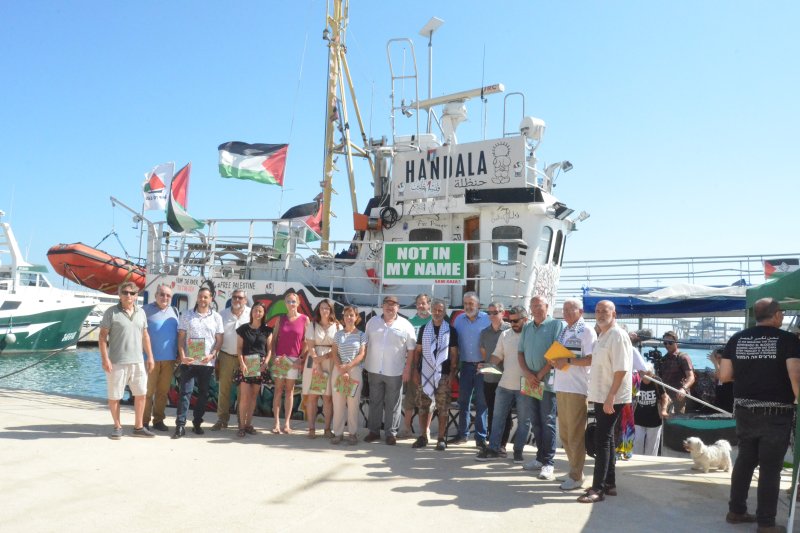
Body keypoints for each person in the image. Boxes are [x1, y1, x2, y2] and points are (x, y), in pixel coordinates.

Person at [719, 298, 800, 532]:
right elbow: (795, 374)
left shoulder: (737, 338)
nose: (783, 316)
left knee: (745, 461)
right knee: (770, 468)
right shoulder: (787, 340)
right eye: (782, 313)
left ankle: (736, 511)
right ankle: (766, 523)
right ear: (775, 315)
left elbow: (724, 375)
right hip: (776, 412)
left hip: (744, 410)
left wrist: (750, 376)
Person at [577, 300, 632, 504]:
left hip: (611, 396)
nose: (600, 314)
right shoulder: (603, 335)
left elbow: (621, 369)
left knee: (602, 440)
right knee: (606, 440)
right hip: (602, 395)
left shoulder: (617, 335)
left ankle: (597, 489)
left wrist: (611, 397)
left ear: (614, 313)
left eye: (605, 311)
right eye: (598, 311)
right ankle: (609, 484)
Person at [550, 298, 596, 491]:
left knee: (576, 434)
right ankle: (574, 470)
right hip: (561, 385)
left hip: (577, 389)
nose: (567, 312)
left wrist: (567, 359)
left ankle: (576, 476)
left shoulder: (586, 331)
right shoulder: (565, 330)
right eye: (565, 309)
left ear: (581, 311)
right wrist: (555, 360)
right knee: (566, 434)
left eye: (571, 309)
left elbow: (591, 359)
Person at [99, 281, 155, 439]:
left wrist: (150, 356)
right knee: (115, 395)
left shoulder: (141, 313)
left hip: (137, 361)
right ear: (119, 294)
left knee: (141, 394)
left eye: (132, 293)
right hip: (117, 361)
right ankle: (117, 426)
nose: (128, 295)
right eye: (125, 292)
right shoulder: (111, 312)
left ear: (137, 295)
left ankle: (138, 427)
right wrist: (105, 359)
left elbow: (145, 336)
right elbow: (102, 337)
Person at [475, 306, 529, 463]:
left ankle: (518, 451)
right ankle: (494, 449)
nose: (513, 324)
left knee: (525, 420)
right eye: (510, 320)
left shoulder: (531, 334)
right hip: (505, 383)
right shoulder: (505, 335)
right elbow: (497, 356)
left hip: (527, 383)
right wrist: (486, 367)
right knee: (497, 417)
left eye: (516, 320)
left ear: (525, 319)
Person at [518, 295, 564, 481]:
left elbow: (556, 353)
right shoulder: (527, 327)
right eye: (533, 306)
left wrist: (538, 375)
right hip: (529, 381)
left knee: (548, 421)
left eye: (539, 305)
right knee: (535, 421)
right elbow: (520, 353)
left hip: (547, 382)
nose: (536, 309)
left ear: (547, 306)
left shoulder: (555, 325)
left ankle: (548, 463)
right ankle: (539, 458)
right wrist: (529, 375)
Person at [363, 295, 416, 445]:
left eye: (393, 305)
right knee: (375, 401)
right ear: (382, 306)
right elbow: (365, 345)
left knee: (393, 403)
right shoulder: (372, 322)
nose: (390, 307)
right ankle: (373, 431)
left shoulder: (406, 325)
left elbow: (411, 349)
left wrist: (407, 369)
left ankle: (390, 433)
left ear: (398, 307)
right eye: (387, 304)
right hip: (373, 369)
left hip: (395, 371)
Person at [173, 286, 224, 439]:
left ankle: (197, 423)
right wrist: (182, 356)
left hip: (206, 363)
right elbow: (181, 337)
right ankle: (180, 426)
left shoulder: (216, 317)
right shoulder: (187, 315)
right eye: (200, 296)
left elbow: (219, 340)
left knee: (203, 395)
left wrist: (212, 355)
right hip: (189, 361)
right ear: (197, 298)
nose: (203, 300)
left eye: (206, 297)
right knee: (185, 393)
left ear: (211, 299)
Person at [411, 299, 458, 451]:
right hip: (425, 373)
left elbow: (454, 354)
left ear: (444, 313)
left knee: (443, 408)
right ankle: (423, 436)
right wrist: (416, 372)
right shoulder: (425, 329)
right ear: (431, 311)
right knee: (423, 407)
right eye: (435, 310)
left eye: (440, 310)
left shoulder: (451, 330)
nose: (437, 313)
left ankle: (441, 438)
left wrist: (452, 375)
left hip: (443, 375)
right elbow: (418, 351)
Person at [451, 291, 491, 447]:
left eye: (471, 303)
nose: (468, 306)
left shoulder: (488, 319)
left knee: (482, 403)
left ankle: (480, 438)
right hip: (466, 366)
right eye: (466, 303)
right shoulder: (458, 320)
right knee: (463, 402)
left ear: (478, 305)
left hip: (483, 366)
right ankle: (463, 434)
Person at [270, 290, 310, 434]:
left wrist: (301, 358)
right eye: (288, 301)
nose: (291, 304)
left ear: (298, 303)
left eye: (294, 301)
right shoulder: (281, 319)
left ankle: (287, 424)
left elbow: (307, 341)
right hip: (281, 359)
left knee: (290, 391)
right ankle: (276, 424)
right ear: (285, 304)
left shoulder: (305, 319)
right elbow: (274, 339)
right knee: (278, 391)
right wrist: (274, 356)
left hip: (294, 360)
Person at [211, 289, 250, 431]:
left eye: (240, 297)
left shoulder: (251, 314)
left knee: (244, 391)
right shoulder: (222, 314)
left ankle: (242, 421)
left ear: (245, 300)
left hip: (246, 358)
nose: (237, 300)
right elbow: (216, 336)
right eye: (234, 297)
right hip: (226, 355)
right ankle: (222, 419)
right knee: (223, 390)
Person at [142, 283, 178, 432]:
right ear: (156, 295)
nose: (165, 297)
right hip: (150, 359)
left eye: (168, 295)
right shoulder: (145, 311)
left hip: (169, 360)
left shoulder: (174, 311)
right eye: (162, 294)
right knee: (148, 392)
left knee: (162, 393)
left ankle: (158, 420)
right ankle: (143, 422)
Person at [233, 302, 272, 437]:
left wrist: (265, 363)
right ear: (252, 312)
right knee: (244, 397)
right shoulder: (243, 329)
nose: (258, 313)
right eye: (255, 310)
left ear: (263, 314)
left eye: (260, 311)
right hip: (246, 364)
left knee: (253, 396)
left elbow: (270, 350)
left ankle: (249, 424)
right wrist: (242, 363)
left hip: (259, 365)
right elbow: (239, 348)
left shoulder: (267, 331)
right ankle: (241, 426)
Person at [303, 299, 340, 439]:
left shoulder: (337, 326)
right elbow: (310, 345)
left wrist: (324, 358)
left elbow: (337, 348)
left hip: (331, 361)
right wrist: (317, 362)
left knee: (328, 398)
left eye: (327, 308)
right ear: (318, 309)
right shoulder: (312, 325)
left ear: (331, 310)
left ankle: (327, 429)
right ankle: (311, 428)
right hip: (314, 362)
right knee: (312, 396)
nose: (324, 311)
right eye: (322, 308)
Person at [330, 305, 367, 445]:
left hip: (354, 371)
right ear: (343, 318)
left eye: (351, 315)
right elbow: (334, 352)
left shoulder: (361, 335)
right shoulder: (338, 334)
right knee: (338, 403)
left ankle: (352, 433)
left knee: (353, 404)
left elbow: (362, 354)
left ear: (356, 317)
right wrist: (341, 368)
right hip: (339, 370)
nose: (349, 318)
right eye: (346, 315)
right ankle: (338, 433)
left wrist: (348, 366)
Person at [399, 293, 432, 440]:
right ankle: (406, 429)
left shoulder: (436, 319)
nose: (421, 306)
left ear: (429, 304)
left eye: (424, 303)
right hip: (413, 363)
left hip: (430, 365)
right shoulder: (410, 322)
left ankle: (426, 430)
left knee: (429, 398)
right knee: (410, 398)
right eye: (418, 303)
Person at [479, 301, 511, 454]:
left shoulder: (510, 330)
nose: (492, 315)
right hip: (490, 378)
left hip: (507, 379)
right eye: (489, 312)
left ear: (503, 313)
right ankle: (493, 442)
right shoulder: (484, 332)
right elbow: (485, 355)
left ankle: (502, 444)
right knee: (492, 411)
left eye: (495, 312)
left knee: (506, 414)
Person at [632, 363, 668, 456]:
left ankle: (649, 464)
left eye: (647, 373)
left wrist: (664, 409)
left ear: (652, 374)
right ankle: (636, 464)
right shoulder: (636, 381)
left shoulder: (657, 381)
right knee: (637, 444)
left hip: (654, 420)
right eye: (642, 373)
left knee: (652, 448)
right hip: (638, 419)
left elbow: (664, 397)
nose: (644, 376)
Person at [658, 330, 694, 414]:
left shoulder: (683, 357)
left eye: (670, 343)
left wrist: (683, 389)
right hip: (666, 397)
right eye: (665, 343)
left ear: (676, 342)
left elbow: (691, 377)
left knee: (678, 421)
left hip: (679, 396)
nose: (667, 345)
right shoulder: (663, 359)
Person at [708, 348, 734, 413]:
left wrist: (715, 363)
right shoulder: (718, 370)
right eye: (716, 358)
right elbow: (717, 377)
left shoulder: (731, 370)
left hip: (729, 405)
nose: (718, 360)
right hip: (719, 404)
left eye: (720, 358)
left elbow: (721, 378)